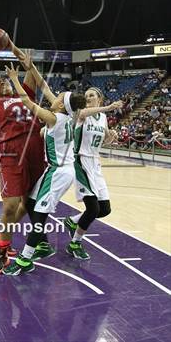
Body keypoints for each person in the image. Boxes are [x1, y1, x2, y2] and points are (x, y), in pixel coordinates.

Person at [3, 64, 86, 276]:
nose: (54, 97)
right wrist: (30, 67)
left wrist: (14, 78)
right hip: (56, 170)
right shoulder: (66, 115)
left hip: (59, 173)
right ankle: (39, 246)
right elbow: (45, 87)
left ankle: (25, 259)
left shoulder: (54, 118)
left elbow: (27, 102)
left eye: (58, 97)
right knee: (30, 202)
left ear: (60, 105)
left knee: (39, 216)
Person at [0, 35, 46, 274]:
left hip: (36, 153)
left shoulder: (24, 92)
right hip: (10, 155)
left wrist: (15, 49)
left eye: (5, 81)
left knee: (28, 204)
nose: (2, 84)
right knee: (9, 207)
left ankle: (3, 235)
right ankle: (3, 254)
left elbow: (30, 70)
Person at [64, 88, 123, 259]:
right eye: (86, 95)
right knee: (93, 208)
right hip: (80, 161)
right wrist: (107, 107)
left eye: (92, 95)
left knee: (104, 209)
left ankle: (73, 221)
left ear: (99, 98)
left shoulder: (102, 118)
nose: (88, 97)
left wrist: (111, 136)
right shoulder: (82, 113)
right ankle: (75, 243)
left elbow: (105, 140)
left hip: (95, 163)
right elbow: (83, 113)